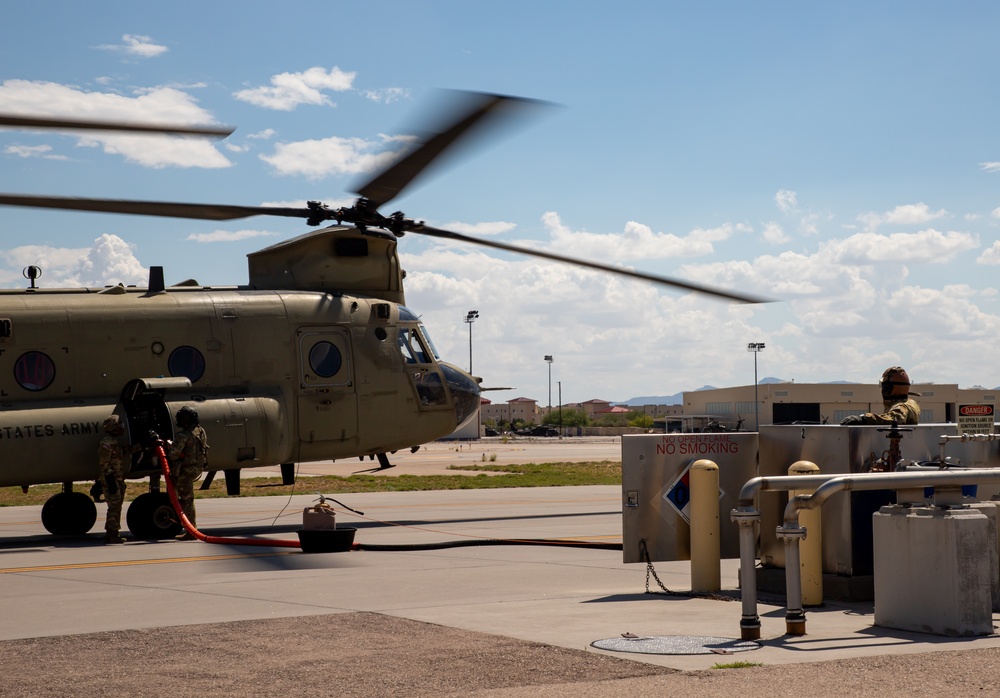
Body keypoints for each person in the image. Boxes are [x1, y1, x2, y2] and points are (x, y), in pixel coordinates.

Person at [167, 406, 209, 541]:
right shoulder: (200, 431)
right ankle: (191, 529)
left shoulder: (182, 436)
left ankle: (191, 531)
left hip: (184, 471)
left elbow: (173, 455)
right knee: (187, 499)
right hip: (196, 468)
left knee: (186, 500)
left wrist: (169, 446)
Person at [840, 366, 921, 425]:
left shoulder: (902, 407)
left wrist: (864, 419)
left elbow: (893, 419)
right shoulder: (910, 402)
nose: (883, 390)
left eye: (885, 386)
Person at [97, 415, 130, 544]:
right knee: (114, 506)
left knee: (117, 506)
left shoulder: (115, 441)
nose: (121, 428)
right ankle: (112, 533)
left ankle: (112, 532)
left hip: (118, 478)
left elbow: (127, 450)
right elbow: (104, 463)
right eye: (119, 426)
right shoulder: (106, 443)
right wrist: (111, 481)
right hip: (111, 479)